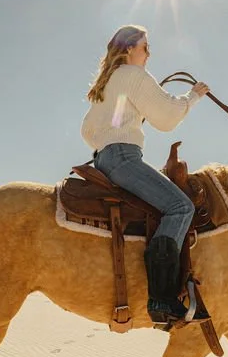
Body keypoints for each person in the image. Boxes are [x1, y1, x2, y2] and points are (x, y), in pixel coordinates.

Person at [80, 25, 210, 323]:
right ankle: (162, 300)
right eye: (145, 47)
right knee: (180, 207)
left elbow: (89, 131)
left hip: (104, 159)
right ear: (128, 49)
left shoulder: (108, 83)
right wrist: (193, 96)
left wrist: (127, 126)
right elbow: (166, 117)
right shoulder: (133, 75)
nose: (148, 53)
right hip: (124, 158)